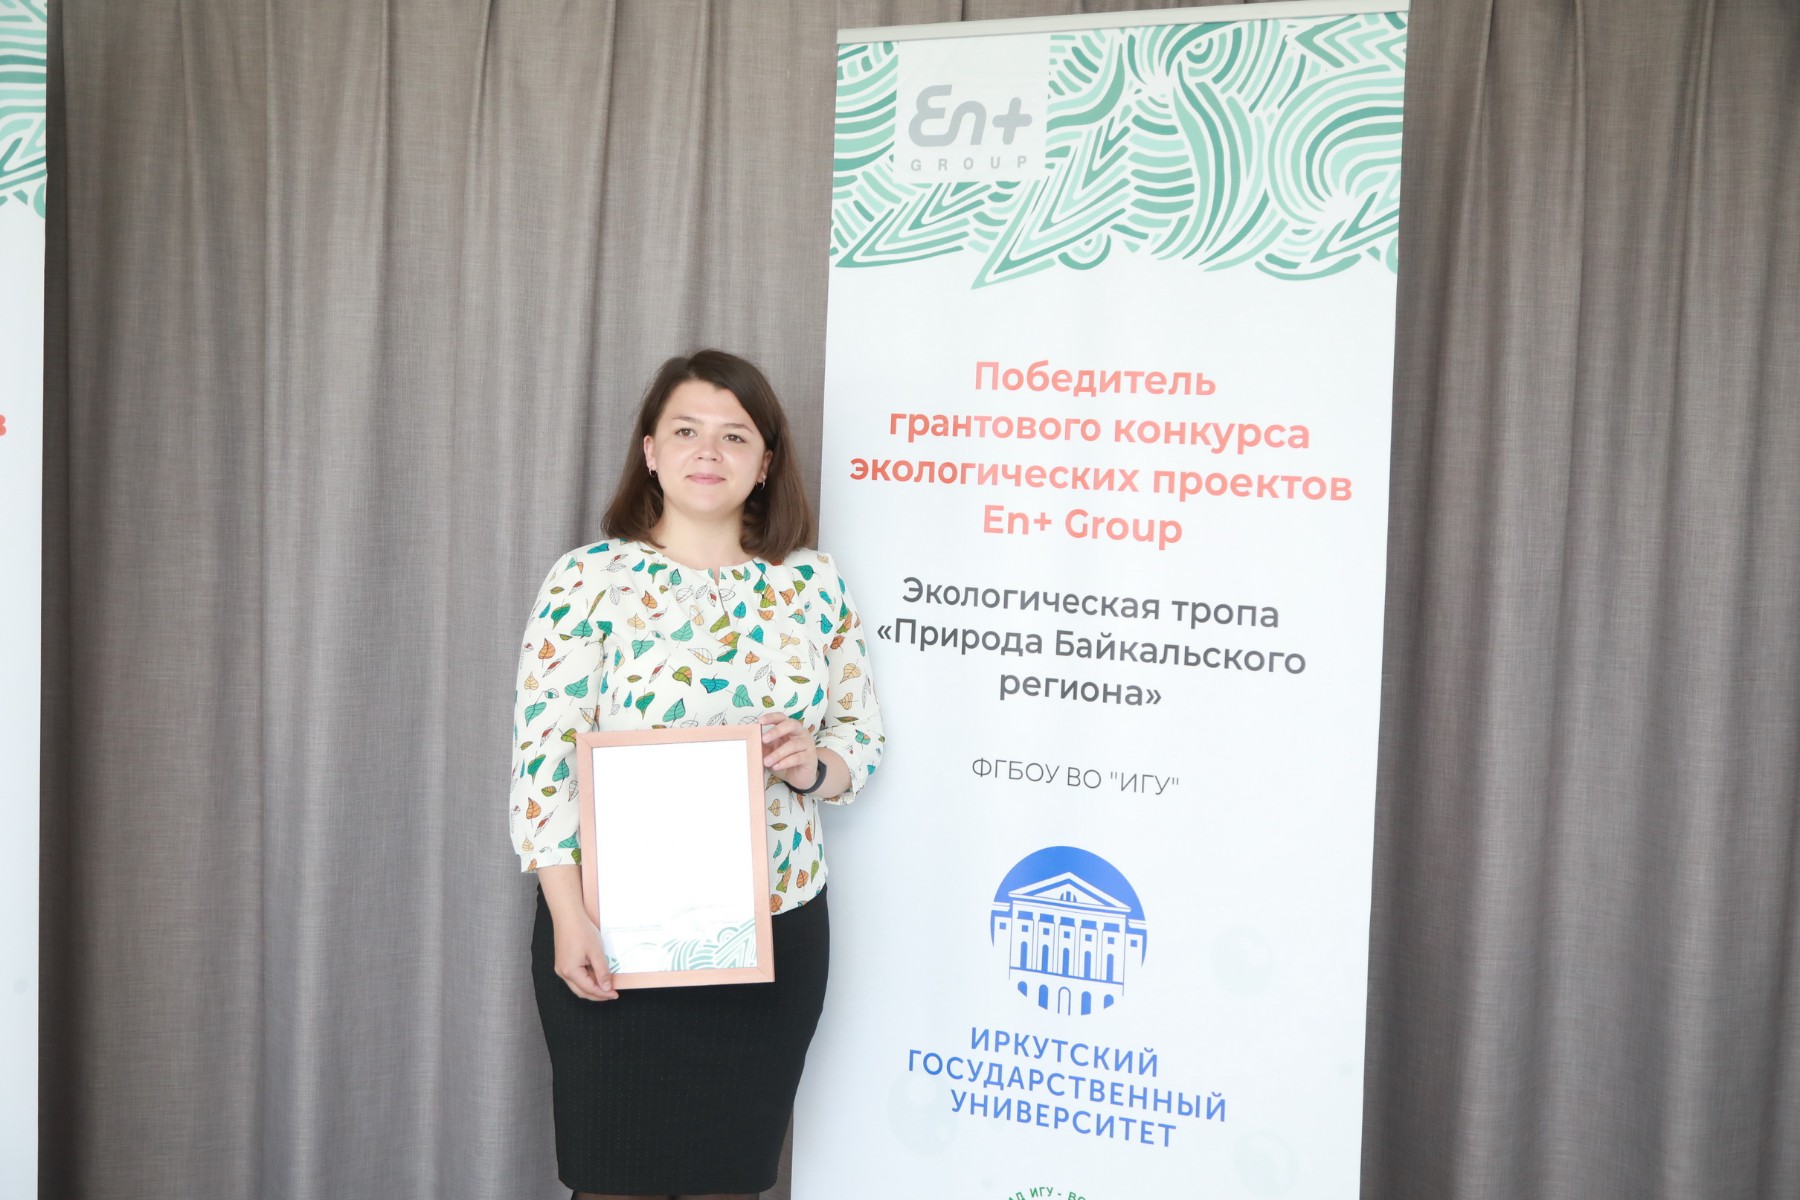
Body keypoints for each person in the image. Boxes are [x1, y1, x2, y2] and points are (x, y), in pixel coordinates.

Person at [508, 350, 886, 1200]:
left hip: (774, 930)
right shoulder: (588, 580)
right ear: (650, 451)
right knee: (614, 1185)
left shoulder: (812, 583)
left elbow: (859, 739)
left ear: (766, 462)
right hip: (615, 933)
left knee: (730, 1184)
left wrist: (813, 764)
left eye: (734, 435)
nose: (707, 451)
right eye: (685, 431)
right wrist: (568, 917)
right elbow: (543, 764)